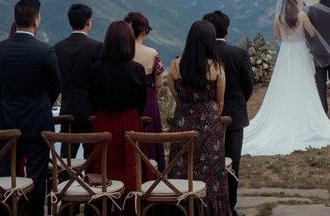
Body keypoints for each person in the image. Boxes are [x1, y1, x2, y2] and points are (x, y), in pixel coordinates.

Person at [242, 0, 330, 156]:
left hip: (286, 52)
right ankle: (306, 118)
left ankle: (283, 114)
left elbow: (277, 36)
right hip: (300, 51)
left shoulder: (279, 17)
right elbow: (312, 34)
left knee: (283, 84)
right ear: (296, 2)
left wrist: (288, 39)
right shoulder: (302, 15)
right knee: (304, 83)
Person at [0, 0, 61, 216]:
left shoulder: (0, 50)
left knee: (7, 171)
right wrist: (43, 104)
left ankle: (6, 212)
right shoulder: (44, 50)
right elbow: (56, 85)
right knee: (37, 175)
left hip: (8, 119)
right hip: (37, 121)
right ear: (36, 20)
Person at [167, 20, 230, 216]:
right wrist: (209, 116)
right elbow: (220, 102)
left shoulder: (175, 65)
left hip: (182, 126)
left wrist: (188, 111)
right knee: (212, 175)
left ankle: (183, 210)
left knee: (181, 170)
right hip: (209, 128)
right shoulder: (217, 67)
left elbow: (176, 97)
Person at [88, 20, 148, 213]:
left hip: (103, 121)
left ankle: (103, 206)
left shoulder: (95, 69)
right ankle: (131, 206)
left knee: (103, 165)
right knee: (130, 167)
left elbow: (93, 100)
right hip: (130, 121)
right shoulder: (137, 69)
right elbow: (142, 103)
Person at [204, 11, 255, 216]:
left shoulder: (200, 55)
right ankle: (229, 207)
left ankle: (206, 203)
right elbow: (249, 85)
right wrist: (239, 102)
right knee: (232, 161)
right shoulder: (239, 54)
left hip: (206, 116)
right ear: (226, 30)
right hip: (234, 113)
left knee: (205, 160)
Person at [54, 3, 101, 155]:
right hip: (91, 112)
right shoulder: (97, 47)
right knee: (91, 156)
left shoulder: (57, 48)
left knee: (66, 156)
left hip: (67, 109)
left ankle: (63, 178)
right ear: (88, 22)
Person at [125, 11, 166, 171]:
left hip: (127, 100)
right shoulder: (152, 53)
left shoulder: (122, 52)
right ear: (144, 31)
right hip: (148, 100)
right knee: (150, 139)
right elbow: (159, 82)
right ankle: (153, 174)